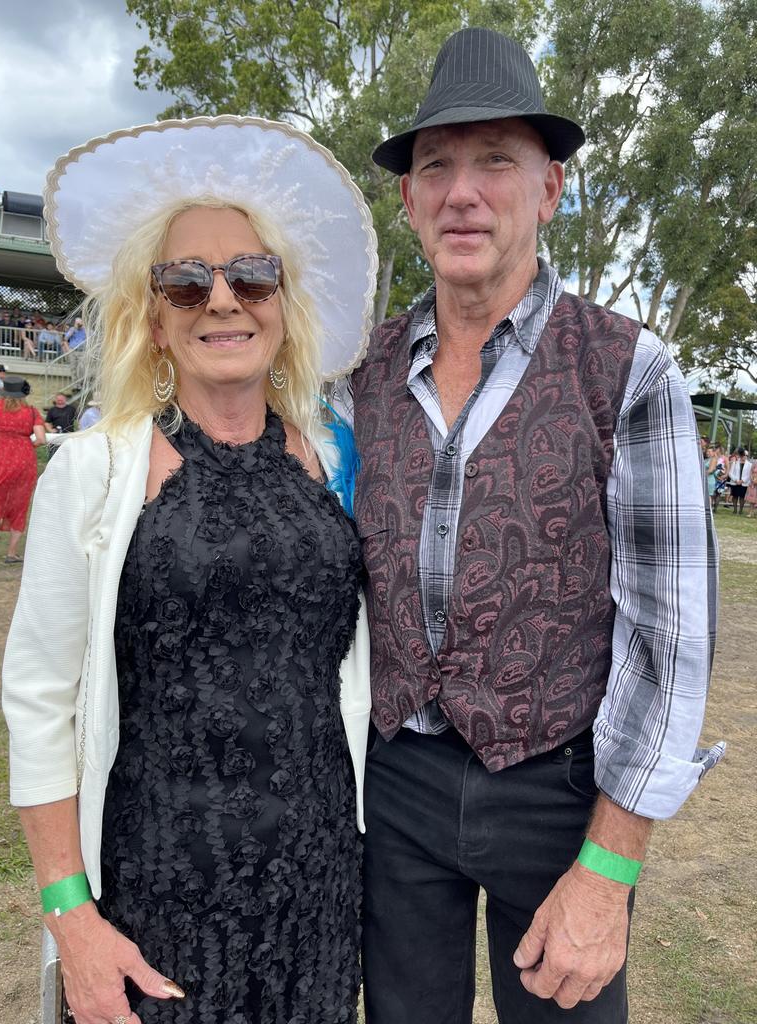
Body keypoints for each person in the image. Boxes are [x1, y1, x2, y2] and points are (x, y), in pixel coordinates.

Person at [337, 27, 721, 1024]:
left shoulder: (629, 368)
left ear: (550, 189)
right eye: (437, 167)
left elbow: (670, 643)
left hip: (558, 791)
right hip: (398, 784)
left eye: (495, 161)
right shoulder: (358, 375)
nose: (464, 191)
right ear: (411, 200)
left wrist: (609, 865)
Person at [3, 116, 377, 1024]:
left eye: (252, 275)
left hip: (320, 895)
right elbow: (41, 699)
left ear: (283, 307)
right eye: (186, 281)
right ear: (154, 318)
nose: (222, 299)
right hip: (156, 898)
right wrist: (71, 919)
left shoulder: (335, 463)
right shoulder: (94, 473)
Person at [0, 376, 47, 563]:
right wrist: (26, 444)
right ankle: (11, 553)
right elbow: (41, 439)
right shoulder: (31, 412)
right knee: (19, 505)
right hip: (23, 460)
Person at [727, 447, 752, 515]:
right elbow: (730, 473)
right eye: (744, 455)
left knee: (742, 497)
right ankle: (735, 510)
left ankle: (740, 510)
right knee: (734, 496)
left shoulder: (749, 464)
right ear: (741, 455)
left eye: (746, 455)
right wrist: (736, 480)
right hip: (735, 483)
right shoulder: (735, 463)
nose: (745, 456)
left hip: (744, 483)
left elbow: (749, 475)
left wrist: (742, 480)